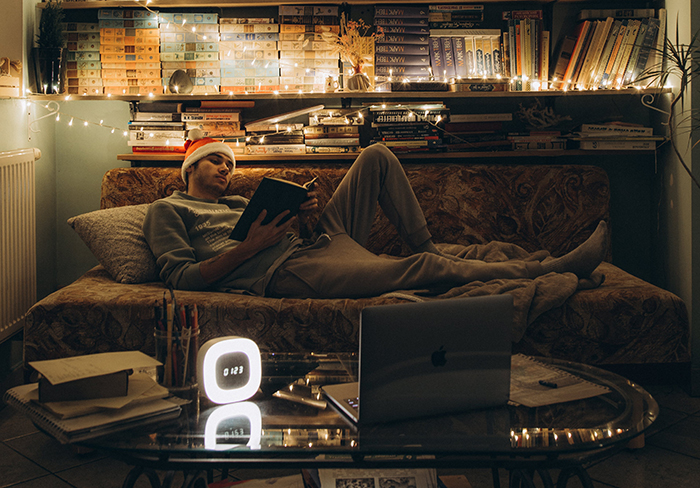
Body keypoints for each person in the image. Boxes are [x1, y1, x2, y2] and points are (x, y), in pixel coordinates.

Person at [143, 131, 609, 298]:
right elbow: (181, 280)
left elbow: (289, 232)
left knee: (377, 155)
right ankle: (549, 268)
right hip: (285, 269)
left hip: (311, 242)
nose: (225, 168)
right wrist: (251, 248)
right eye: (215, 160)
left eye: (229, 162)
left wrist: (305, 215)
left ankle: (427, 247)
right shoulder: (167, 210)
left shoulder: (239, 204)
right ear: (190, 169)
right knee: (425, 270)